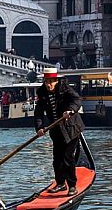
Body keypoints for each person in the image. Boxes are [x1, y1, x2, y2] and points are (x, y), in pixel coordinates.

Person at [34, 67, 85, 196]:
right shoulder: (42, 93)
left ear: (56, 81)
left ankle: (72, 185)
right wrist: (39, 128)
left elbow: (77, 100)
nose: (48, 84)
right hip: (56, 129)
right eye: (46, 82)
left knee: (67, 157)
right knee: (57, 158)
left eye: (51, 82)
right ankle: (61, 183)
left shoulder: (65, 89)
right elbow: (38, 113)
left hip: (71, 128)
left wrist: (70, 110)